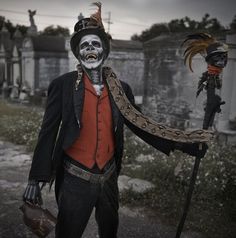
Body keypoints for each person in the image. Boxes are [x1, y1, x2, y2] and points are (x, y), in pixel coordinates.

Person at [23, 3, 208, 238]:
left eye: (95, 44)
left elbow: (141, 124)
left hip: (108, 177)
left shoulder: (122, 88)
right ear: (78, 52)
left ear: (105, 50)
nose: (90, 49)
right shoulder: (63, 85)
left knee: (110, 231)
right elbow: (47, 132)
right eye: (84, 45)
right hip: (74, 179)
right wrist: (35, 177)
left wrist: (183, 144)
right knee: (68, 233)